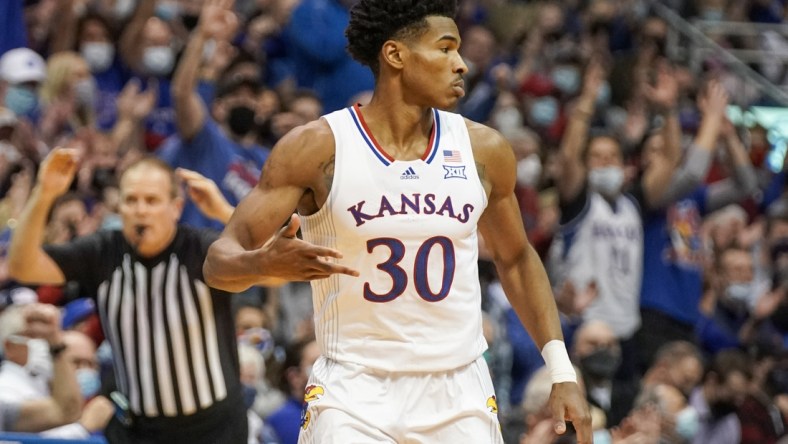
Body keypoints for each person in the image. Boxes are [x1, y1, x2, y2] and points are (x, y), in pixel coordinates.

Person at [203, 0, 591, 442]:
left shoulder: (484, 150)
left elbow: (518, 259)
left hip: (458, 391)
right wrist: (260, 265)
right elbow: (218, 262)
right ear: (395, 56)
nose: (461, 65)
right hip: (352, 390)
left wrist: (562, 370)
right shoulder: (316, 148)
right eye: (445, 49)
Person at [7, 148, 347, 443]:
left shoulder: (200, 248)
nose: (141, 210)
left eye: (152, 201)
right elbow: (23, 266)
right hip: (139, 430)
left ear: (176, 206)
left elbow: (272, 271)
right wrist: (44, 193)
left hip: (214, 430)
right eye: (131, 200)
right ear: (120, 207)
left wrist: (224, 213)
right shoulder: (103, 253)